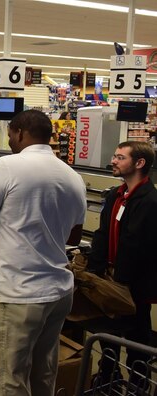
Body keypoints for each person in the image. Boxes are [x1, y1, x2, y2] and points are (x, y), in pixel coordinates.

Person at [0, 110, 86, 396]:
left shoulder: (6, 166)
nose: (9, 141)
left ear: (20, 132)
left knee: (9, 379)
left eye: (9, 136)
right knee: (43, 373)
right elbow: (74, 236)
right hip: (58, 292)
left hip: (17, 292)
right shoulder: (73, 177)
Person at [87, 141, 157, 385]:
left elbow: (136, 246)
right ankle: (108, 379)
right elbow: (103, 232)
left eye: (120, 157)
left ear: (139, 163)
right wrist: (96, 271)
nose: (113, 161)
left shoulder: (149, 201)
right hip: (111, 280)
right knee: (107, 336)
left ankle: (138, 383)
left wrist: (120, 283)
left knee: (137, 339)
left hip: (134, 287)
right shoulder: (116, 195)